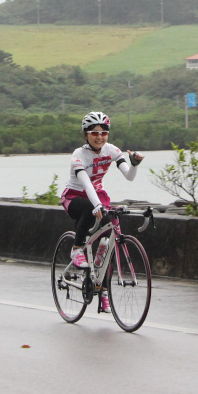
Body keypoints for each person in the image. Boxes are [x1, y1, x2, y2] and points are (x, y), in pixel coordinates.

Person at [60, 111, 145, 313]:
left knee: (111, 233)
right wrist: (97, 205)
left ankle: (104, 292)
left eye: (104, 132)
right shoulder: (78, 155)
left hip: (98, 193)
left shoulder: (112, 150)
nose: (99, 136)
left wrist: (134, 165)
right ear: (86, 134)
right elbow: (85, 182)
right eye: (94, 132)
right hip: (74, 196)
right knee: (90, 209)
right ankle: (77, 248)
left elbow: (129, 177)